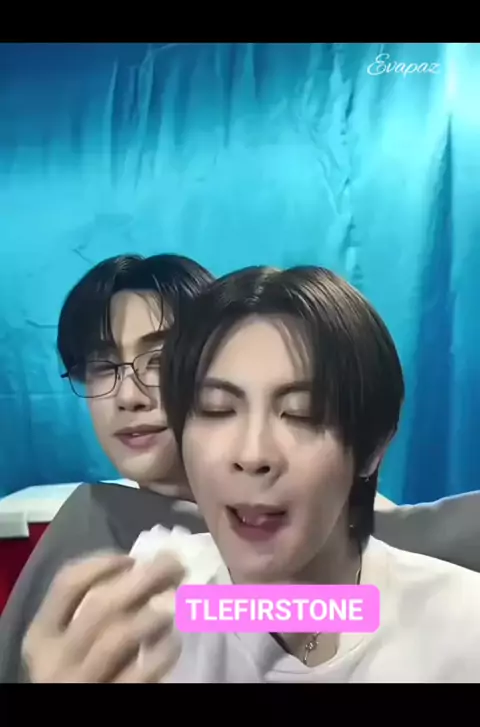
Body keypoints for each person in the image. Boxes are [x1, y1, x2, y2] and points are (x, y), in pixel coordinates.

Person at [21, 265, 480, 683]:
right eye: (218, 409)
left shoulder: (457, 625)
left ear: (373, 446)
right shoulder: (145, 596)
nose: (252, 453)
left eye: (301, 413)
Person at [0, 253, 214, 683]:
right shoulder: (89, 524)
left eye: (159, 360)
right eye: (103, 366)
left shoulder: (301, 529)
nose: (128, 397)